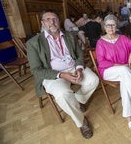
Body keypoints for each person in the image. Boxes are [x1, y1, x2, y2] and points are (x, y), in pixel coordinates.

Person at [26, 10, 99, 139]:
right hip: (52, 74)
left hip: (73, 68)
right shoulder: (33, 43)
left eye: (54, 19)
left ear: (59, 21)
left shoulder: (70, 35)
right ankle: (82, 122)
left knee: (93, 80)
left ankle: (78, 100)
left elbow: (79, 54)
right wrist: (62, 75)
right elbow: (36, 70)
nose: (52, 22)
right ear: (42, 23)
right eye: (48, 19)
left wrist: (79, 68)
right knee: (63, 94)